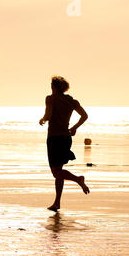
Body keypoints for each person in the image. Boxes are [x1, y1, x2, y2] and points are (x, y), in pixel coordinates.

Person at [39, 76, 90, 211]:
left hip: (54, 138)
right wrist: (74, 127)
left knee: (56, 172)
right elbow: (84, 116)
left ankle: (78, 179)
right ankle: (57, 203)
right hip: (66, 138)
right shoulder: (71, 101)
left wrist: (42, 119)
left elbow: (48, 115)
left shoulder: (51, 99)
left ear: (54, 87)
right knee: (59, 171)